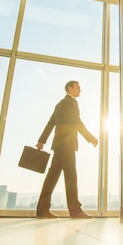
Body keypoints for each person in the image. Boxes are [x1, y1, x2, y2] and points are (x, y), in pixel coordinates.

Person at [36, 80, 98, 219]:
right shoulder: (71, 103)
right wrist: (90, 138)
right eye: (78, 88)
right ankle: (75, 211)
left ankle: (42, 210)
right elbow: (77, 122)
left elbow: (50, 123)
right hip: (67, 145)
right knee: (71, 178)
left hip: (58, 146)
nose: (80, 90)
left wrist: (41, 141)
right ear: (70, 89)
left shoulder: (59, 104)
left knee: (51, 178)